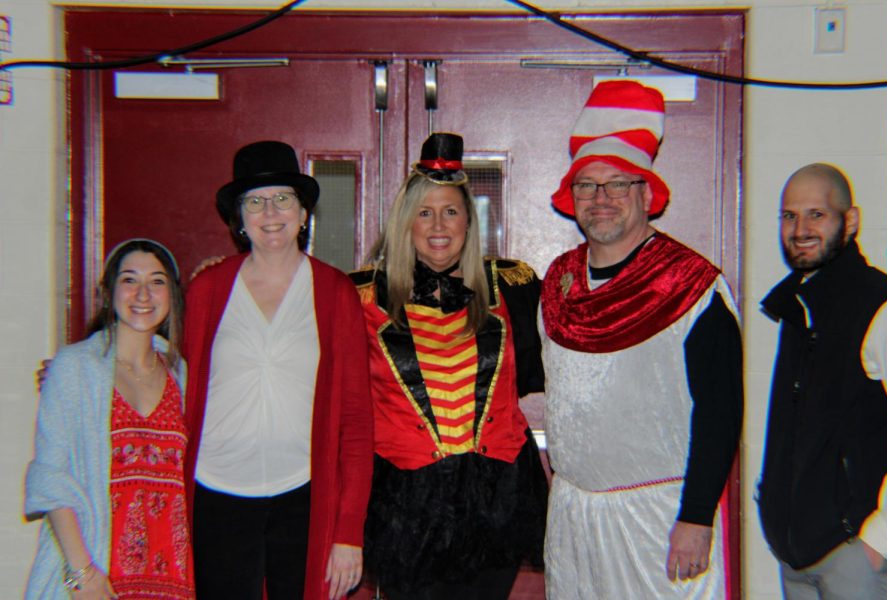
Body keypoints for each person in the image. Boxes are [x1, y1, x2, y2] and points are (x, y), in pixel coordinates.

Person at [539, 80, 744, 599]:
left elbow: (720, 409)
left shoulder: (692, 285)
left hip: (659, 520)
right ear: (572, 199)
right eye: (587, 185)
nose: (600, 199)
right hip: (574, 517)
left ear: (647, 195)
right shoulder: (559, 281)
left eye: (618, 184)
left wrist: (697, 517)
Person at [350, 132, 548, 600]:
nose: (439, 224)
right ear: (406, 222)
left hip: (496, 499)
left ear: (468, 221)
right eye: (425, 212)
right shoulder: (358, 295)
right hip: (405, 502)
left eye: (451, 211)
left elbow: (580, 326)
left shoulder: (515, 287)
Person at [182, 140, 373, 600]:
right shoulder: (207, 289)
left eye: (283, 198)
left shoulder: (335, 292)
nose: (270, 212)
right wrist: (91, 366)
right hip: (216, 493)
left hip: (303, 495)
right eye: (255, 201)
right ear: (240, 219)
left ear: (304, 213)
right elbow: (164, 368)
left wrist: (348, 531)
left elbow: (356, 422)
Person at [757, 163, 887, 598]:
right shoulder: (798, 306)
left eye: (817, 214)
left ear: (850, 221)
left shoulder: (884, 307)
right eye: (789, 216)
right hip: (797, 558)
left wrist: (881, 539)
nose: (800, 229)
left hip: (858, 558)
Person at [25, 238, 192, 599]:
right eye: (130, 280)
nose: (143, 294)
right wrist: (83, 573)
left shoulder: (181, 374)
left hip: (174, 575)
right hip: (100, 573)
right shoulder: (75, 368)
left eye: (157, 281)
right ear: (109, 291)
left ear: (172, 295)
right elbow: (50, 478)